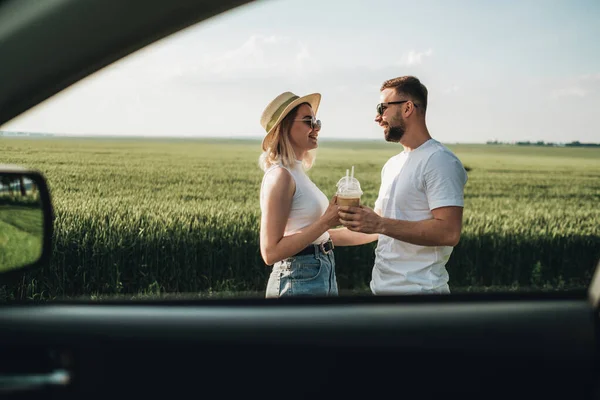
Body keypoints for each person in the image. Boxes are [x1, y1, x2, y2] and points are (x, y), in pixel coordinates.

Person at [330, 76, 468, 295]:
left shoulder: (439, 160)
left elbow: (448, 232)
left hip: (420, 296)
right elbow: (375, 230)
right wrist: (317, 238)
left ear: (407, 108)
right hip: (381, 293)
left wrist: (380, 224)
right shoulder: (393, 164)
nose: (377, 117)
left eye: (382, 108)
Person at [258, 91, 340, 298]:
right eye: (308, 121)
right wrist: (326, 221)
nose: (317, 128)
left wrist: (380, 228)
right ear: (285, 126)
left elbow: (319, 236)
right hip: (297, 280)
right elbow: (270, 252)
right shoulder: (281, 176)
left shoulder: (297, 173)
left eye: (317, 121)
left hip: (319, 273)